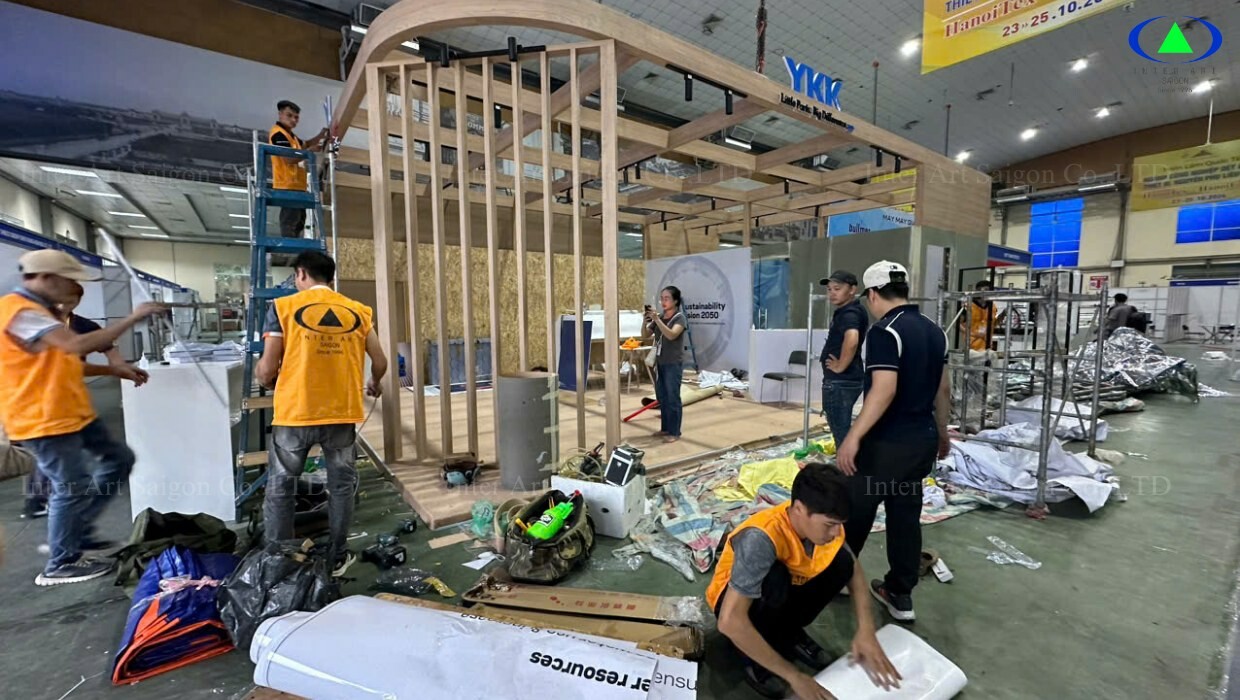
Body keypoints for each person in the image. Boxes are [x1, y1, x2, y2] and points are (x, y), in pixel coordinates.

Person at [0, 250, 164, 586]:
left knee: (119, 459)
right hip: (43, 417)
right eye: (69, 281)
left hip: (71, 412)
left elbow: (64, 362)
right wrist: (134, 317)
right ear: (46, 278)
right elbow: (74, 347)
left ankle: (78, 530)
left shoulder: (45, 313)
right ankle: (60, 563)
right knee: (70, 485)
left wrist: (114, 370)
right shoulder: (19, 312)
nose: (75, 289)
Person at [708, 463, 901, 699]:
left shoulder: (827, 527)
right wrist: (795, 676)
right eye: (829, 524)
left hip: (785, 591)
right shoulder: (761, 538)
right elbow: (729, 621)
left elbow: (854, 570)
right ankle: (752, 656)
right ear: (799, 509)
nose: (836, 532)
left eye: (839, 524)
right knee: (775, 578)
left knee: (841, 562)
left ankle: (788, 632)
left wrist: (866, 630)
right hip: (735, 604)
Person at [257, 250, 387, 577]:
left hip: (296, 413)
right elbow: (381, 361)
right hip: (341, 414)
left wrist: (266, 379)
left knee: (282, 487)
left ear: (301, 274)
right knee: (341, 487)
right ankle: (337, 556)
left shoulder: (283, 307)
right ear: (330, 277)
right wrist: (374, 382)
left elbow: (267, 369)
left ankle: (279, 562)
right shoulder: (358, 311)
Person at [835, 261, 951, 623]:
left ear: (872, 294)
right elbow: (943, 389)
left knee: (857, 510)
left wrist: (853, 437)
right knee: (905, 515)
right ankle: (900, 594)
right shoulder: (935, 331)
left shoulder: (885, 332)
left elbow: (883, 390)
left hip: (887, 444)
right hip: (921, 442)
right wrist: (943, 432)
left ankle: (838, 579)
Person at [22, 288, 150, 519]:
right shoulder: (38, 325)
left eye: (69, 302)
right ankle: (43, 501)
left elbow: (108, 347)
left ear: (78, 302)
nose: (63, 307)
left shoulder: (83, 325)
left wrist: (120, 367)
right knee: (54, 450)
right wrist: (114, 369)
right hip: (37, 399)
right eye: (59, 301)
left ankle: (54, 501)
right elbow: (69, 364)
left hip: (68, 397)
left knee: (62, 452)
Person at [818, 270, 868, 442]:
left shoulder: (849, 313)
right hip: (847, 379)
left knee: (842, 434)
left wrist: (840, 366)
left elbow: (852, 339)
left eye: (837, 288)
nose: (832, 293)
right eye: (829, 289)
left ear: (852, 290)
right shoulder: (853, 311)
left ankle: (846, 459)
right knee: (843, 430)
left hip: (841, 381)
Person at [269, 100, 329, 238]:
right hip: (287, 185)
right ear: (280, 114)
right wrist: (309, 151)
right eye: (289, 115)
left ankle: (295, 248)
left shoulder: (291, 136)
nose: (293, 120)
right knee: (290, 222)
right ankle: (290, 248)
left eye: (296, 117)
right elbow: (288, 159)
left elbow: (306, 144)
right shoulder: (278, 134)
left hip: (296, 186)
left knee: (298, 222)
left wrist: (321, 135)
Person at [644, 286, 687, 443]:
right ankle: (665, 428)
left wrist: (657, 320)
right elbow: (645, 335)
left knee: (672, 397)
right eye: (662, 298)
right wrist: (645, 321)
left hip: (673, 363)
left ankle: (675, 432)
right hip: (660, 362)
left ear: (675, 301)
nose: (663, 301)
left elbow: (671, 334)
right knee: (662, 396)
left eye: (667, 298)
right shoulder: (660, 317)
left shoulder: (679, 318)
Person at [962, 279, 997, 351]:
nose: (987, 293)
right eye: (985, 290)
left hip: (987, 346)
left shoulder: (992, 307)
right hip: (971, 347)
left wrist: (1003, 315)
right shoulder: (968, 306)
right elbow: (957, 324)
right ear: (978, 290)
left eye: (989, 290)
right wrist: (972, 334)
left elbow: (993, 323)